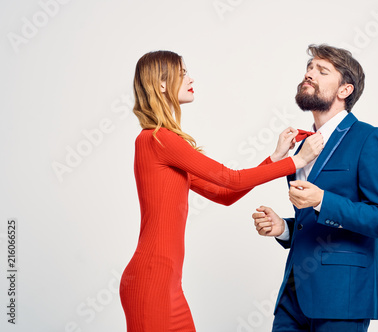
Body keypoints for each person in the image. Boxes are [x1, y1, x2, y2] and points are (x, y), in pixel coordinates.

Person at [119, 50, 324, 332]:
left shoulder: (167, 144)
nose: (191, 78)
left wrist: (275, 158)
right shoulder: (157, 140)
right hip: (151, 280)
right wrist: (296, 161)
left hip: (167, 283)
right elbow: (231, 179)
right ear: (162, 84)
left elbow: (225, 194)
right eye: (182, 73)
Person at [252, 44, 378, 332]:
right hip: (292, 299)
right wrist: (282, 227)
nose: (310, 74)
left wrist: (322, 200)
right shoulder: (301, 147)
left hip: (342, 299)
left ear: (345, 90)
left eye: (322, 71)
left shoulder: (371, 139)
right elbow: (313, 225)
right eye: (309, 68)